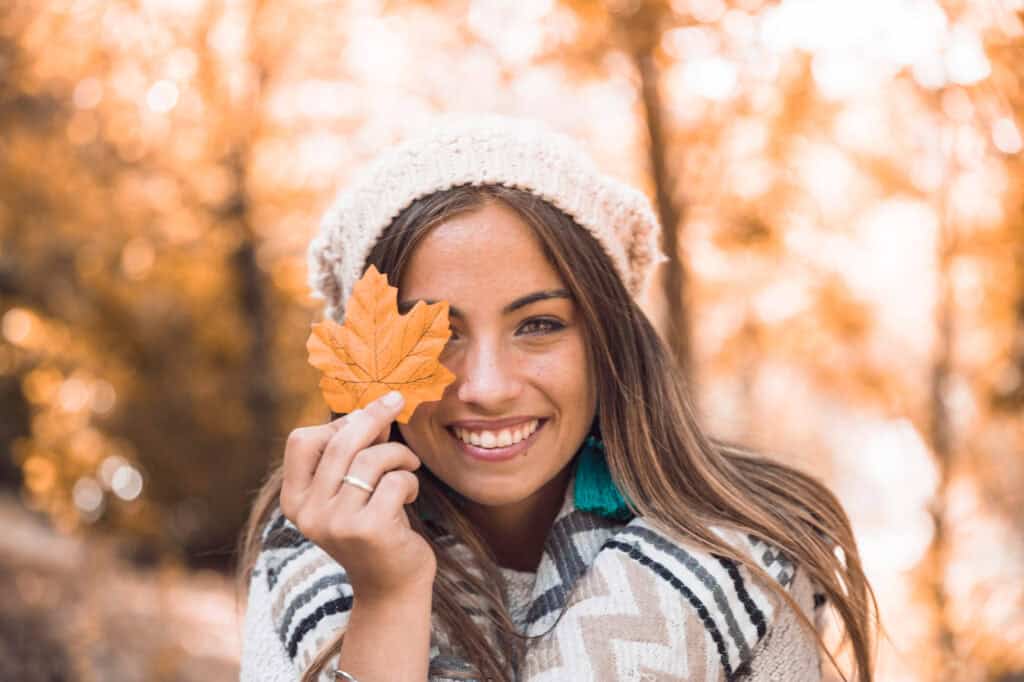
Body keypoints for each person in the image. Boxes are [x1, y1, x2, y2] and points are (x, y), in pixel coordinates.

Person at [236, 114, 877, 682]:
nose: (486, 387)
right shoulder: (310, 556)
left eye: (539, 325)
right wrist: (388, 596)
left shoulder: (744, 558)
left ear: (609, 340)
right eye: (436, 334)